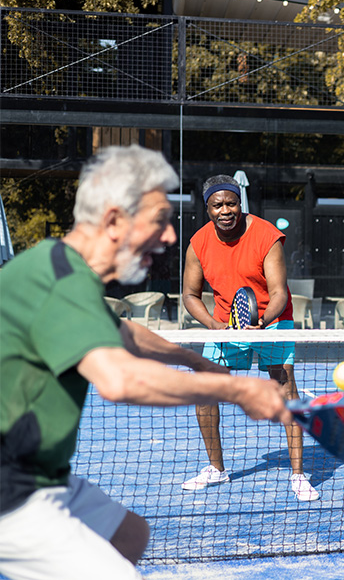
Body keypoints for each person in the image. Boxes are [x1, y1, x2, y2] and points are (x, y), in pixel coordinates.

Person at [0, 146, 292, 579]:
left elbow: (123, 334)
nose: (171, 237)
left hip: (45, 473)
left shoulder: (66, 268)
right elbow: (119, 381)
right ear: (115, 220)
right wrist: (233, 388)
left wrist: (194, 359)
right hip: (12, 488)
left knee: (131, 535)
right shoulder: (56, 280)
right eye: (158, 221)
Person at [181, 175, 318, 501]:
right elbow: (189, 295)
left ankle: (298, 476)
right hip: (225, 325)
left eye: (232, 203)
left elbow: (279, 294)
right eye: (218, 205)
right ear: (208, 208)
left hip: (272, 321)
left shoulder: (266, 236)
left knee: (286, 393)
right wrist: (215, 325)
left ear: (239, 203)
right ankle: (217, 468)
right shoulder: (198, 243)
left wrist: (263, 321)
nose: (226, 210)